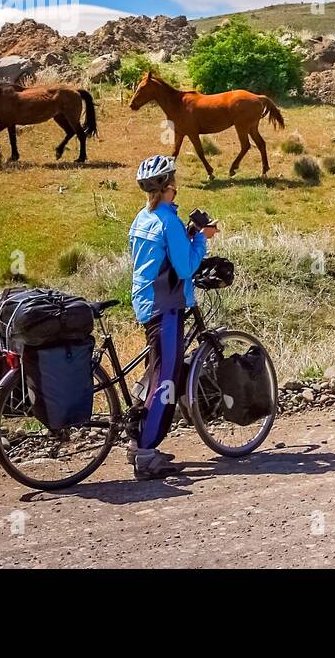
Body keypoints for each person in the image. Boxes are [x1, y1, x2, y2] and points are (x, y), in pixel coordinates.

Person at [127, 155, 218, 479]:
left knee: (156, 370)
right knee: (166, 377)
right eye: (174, 180)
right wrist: (201, 239)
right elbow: (186, 268)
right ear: (169, 186)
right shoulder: (168, 222)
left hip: (145, 301)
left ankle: (141, 437)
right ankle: (146, 453)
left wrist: (188, 235)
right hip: (165, 306)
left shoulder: (142, 218)